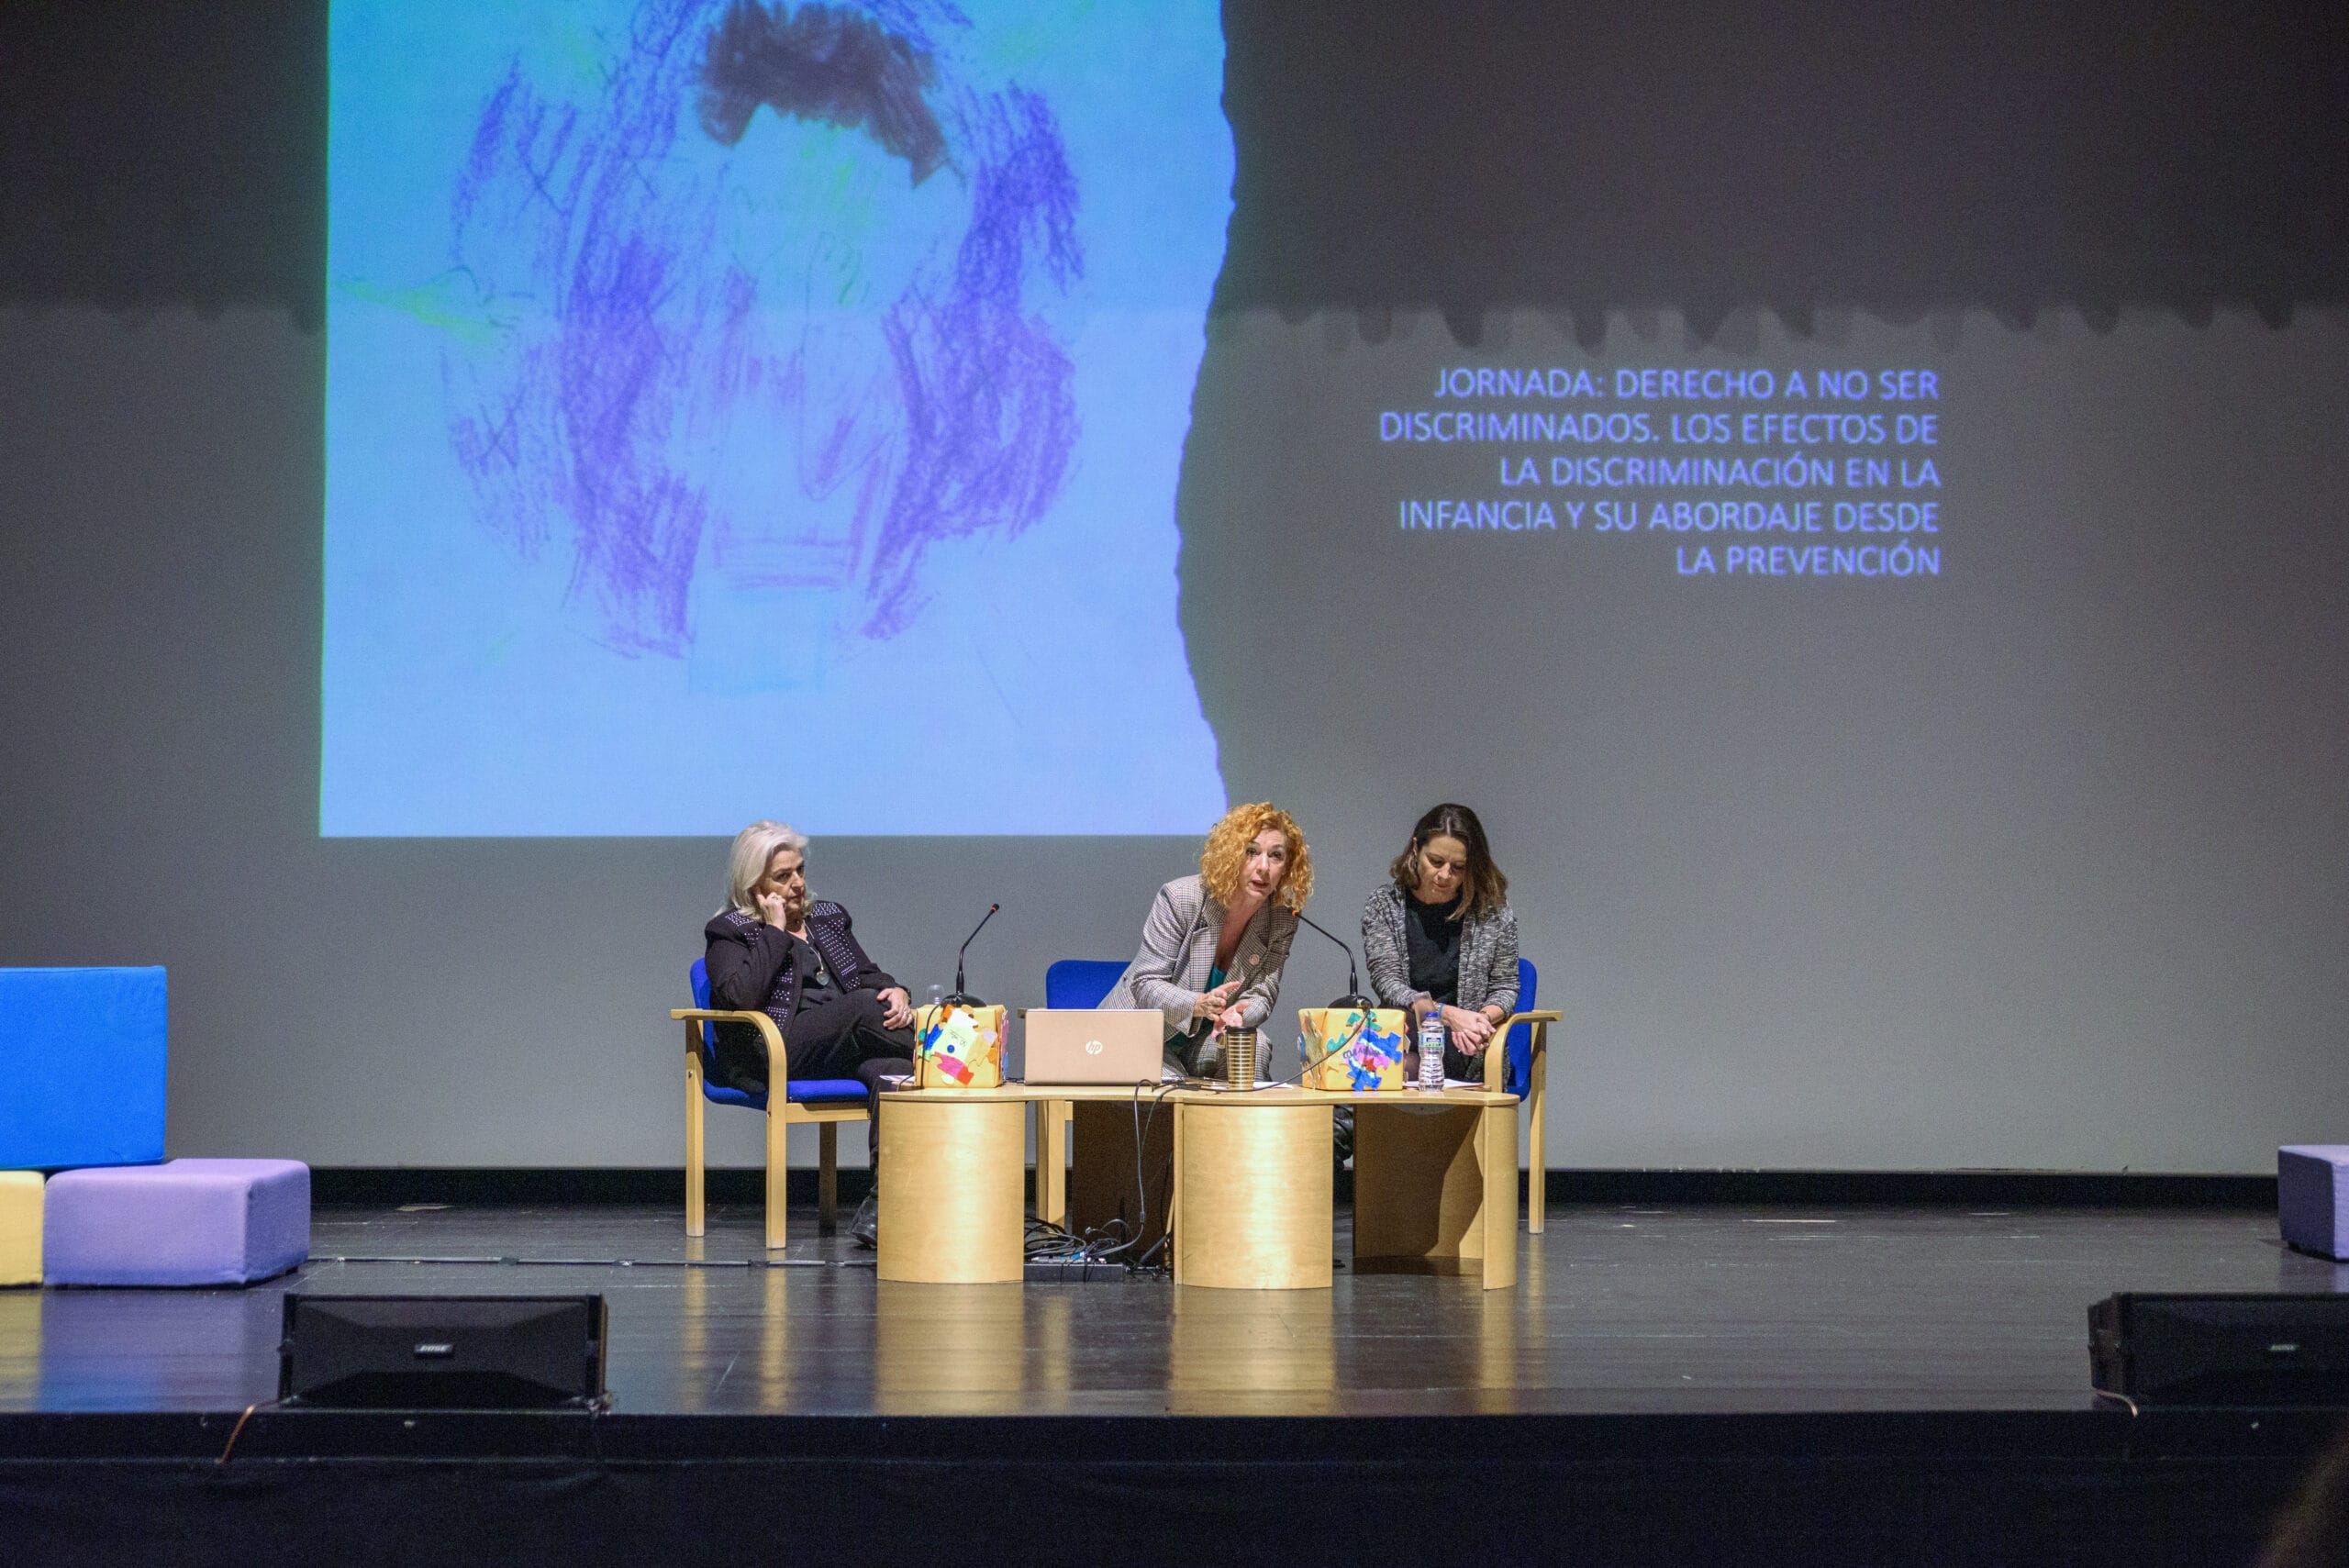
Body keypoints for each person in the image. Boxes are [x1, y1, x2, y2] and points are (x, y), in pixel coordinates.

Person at [703, 820, 916, 1241]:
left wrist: (898, 992)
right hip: (778, 1047)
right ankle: (954, 1054)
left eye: (799, 870)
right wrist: (774, 930)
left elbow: (868, 975)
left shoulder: (827, 918)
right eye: (783, 876)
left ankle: (882, 1207)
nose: (798, 883)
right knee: (862, 1006)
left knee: (896, 1072)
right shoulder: (731, 931)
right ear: (754, 885)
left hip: (843, 1043)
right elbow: (740, 996)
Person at [1102, 803, 1312, 1079]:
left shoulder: (1281, 919)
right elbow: (1146, 983)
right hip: (1138, 1034)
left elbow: (1263, 993)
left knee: (1253, 1045)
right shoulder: (1181, 898)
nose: (1264, 867)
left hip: (1199, 1042)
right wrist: (1198, 1003)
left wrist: (1239, 1015)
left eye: (1276, 856)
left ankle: (1241, 1112)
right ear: (1231, 856)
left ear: (1287, 867)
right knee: (1172, 1084)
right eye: (1251, 852)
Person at [1361, 803, 1521, 1085]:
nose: (1445, 875)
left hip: (1467, 1045)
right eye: (1435, 862)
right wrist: (1446, 1015)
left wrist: (1479, 1022)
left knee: (1394, 1066)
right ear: (1415, 849)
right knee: (1388, 1056)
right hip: (1406, 1030)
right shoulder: (1385, 905)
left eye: (1458, 868)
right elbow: (1388, 984)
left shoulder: (1492, 911)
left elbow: (1506, 987)